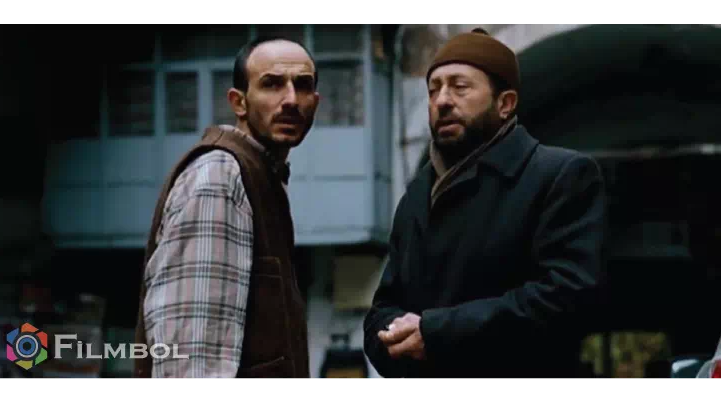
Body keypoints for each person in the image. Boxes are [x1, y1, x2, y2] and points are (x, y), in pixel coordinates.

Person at [363, 28, 607, 378]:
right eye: (433, 89)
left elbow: (568, 297)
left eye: (460, 87)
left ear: (505, 104)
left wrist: (434, 332)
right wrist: (391, 338)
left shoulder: (558, 175)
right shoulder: (417, 193)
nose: (442, 100)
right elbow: (383, 307)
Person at [134, 36, 320, 378]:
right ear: (239, 102)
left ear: (316, 102)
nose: (291, 100)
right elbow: (192, 356)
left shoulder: (262, 176)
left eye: (303, 85)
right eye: (272, 84)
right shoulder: (220, 175)